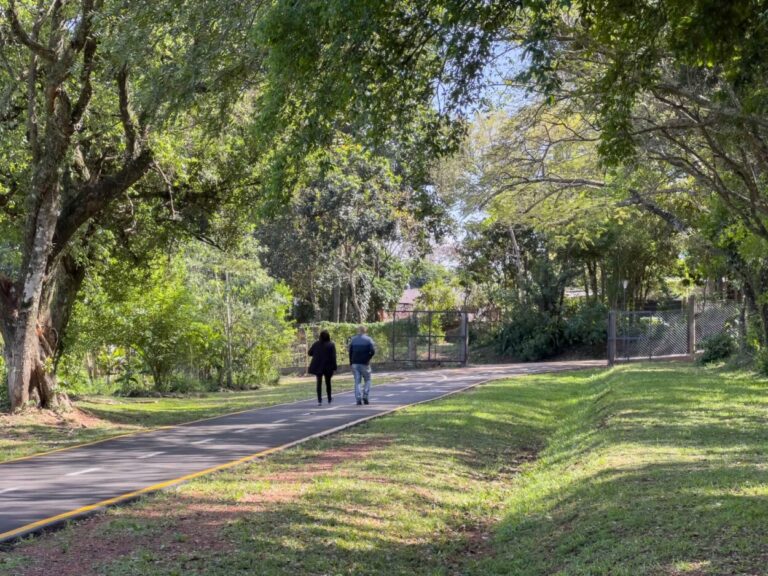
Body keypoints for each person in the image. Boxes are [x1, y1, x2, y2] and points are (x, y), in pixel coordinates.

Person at [308, 330, 337, 405]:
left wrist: (316, 353)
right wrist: (334, 367)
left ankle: (319, 400)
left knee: (319, 383)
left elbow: (309, 353)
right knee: (328, 383)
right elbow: (333, 357)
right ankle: (329, 399)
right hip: (328, 366)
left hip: (318, 366)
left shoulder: (316, 344)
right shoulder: (331, 345)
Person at [348, 325, 375, 405]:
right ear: (365, 331)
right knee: (368, 379)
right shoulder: (369, 340)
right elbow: (372, 351)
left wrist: (351, 362)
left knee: (357, 381)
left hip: (355, 363)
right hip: (365, 363)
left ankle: (358, 398)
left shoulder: (353, 339)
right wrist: (368, 358)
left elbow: (350, 352)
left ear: (358, 331)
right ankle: (365, 395)